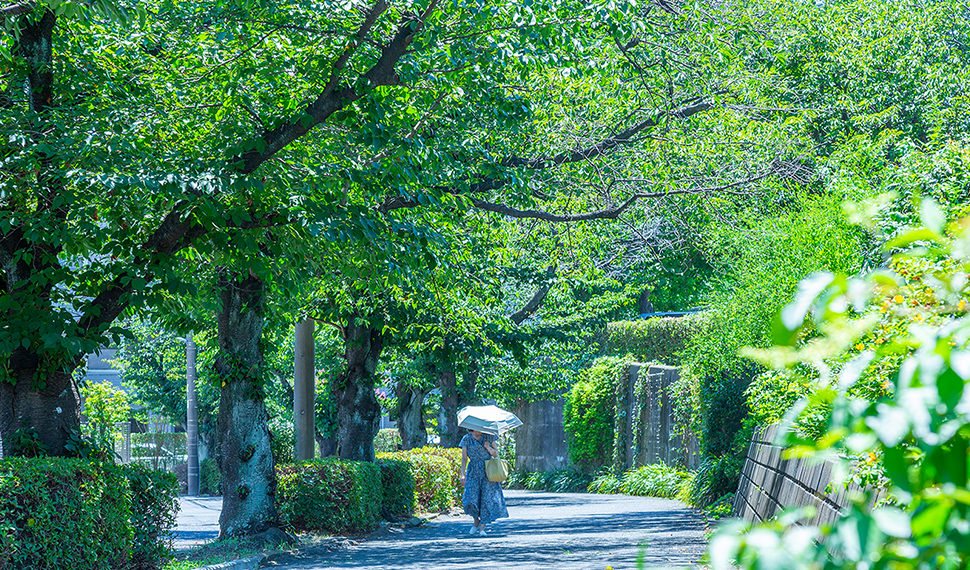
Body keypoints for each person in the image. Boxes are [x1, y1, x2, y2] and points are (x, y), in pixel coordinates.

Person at [459, 429, 509, 536]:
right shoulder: (467, 439)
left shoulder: (489, 437)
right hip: (473, 471)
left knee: (486, 499)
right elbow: (464, 458)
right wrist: (462, 474)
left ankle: (482, 527)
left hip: (488, 470)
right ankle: (476, 520)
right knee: (470, 498)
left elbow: (496, 454)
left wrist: (488, 448)